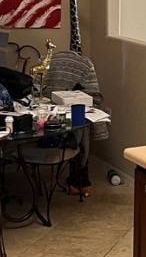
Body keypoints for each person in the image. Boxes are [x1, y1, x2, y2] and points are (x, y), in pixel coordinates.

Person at [41, 51, 110, 197]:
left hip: (70, 114)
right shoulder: (42, 64)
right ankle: (79, 178)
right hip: (50, 111)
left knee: (80, 128)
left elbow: (93, 97)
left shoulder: (84, 67)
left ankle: (79, 177)